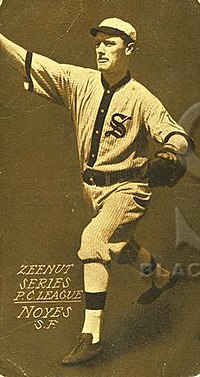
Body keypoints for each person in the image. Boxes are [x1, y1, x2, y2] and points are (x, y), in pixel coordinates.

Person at [0, 17, 194, 365]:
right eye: (99, 42)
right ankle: (162, 277)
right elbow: (31, 61)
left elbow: (175, 134)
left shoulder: (141, 98)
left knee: (93, 240)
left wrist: (170, 151)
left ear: (129, 50)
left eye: (110, 43)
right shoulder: (79, 80)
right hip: (93, 189)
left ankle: (92, 336)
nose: (101, 49)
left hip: (130, 187)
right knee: (118, 247)